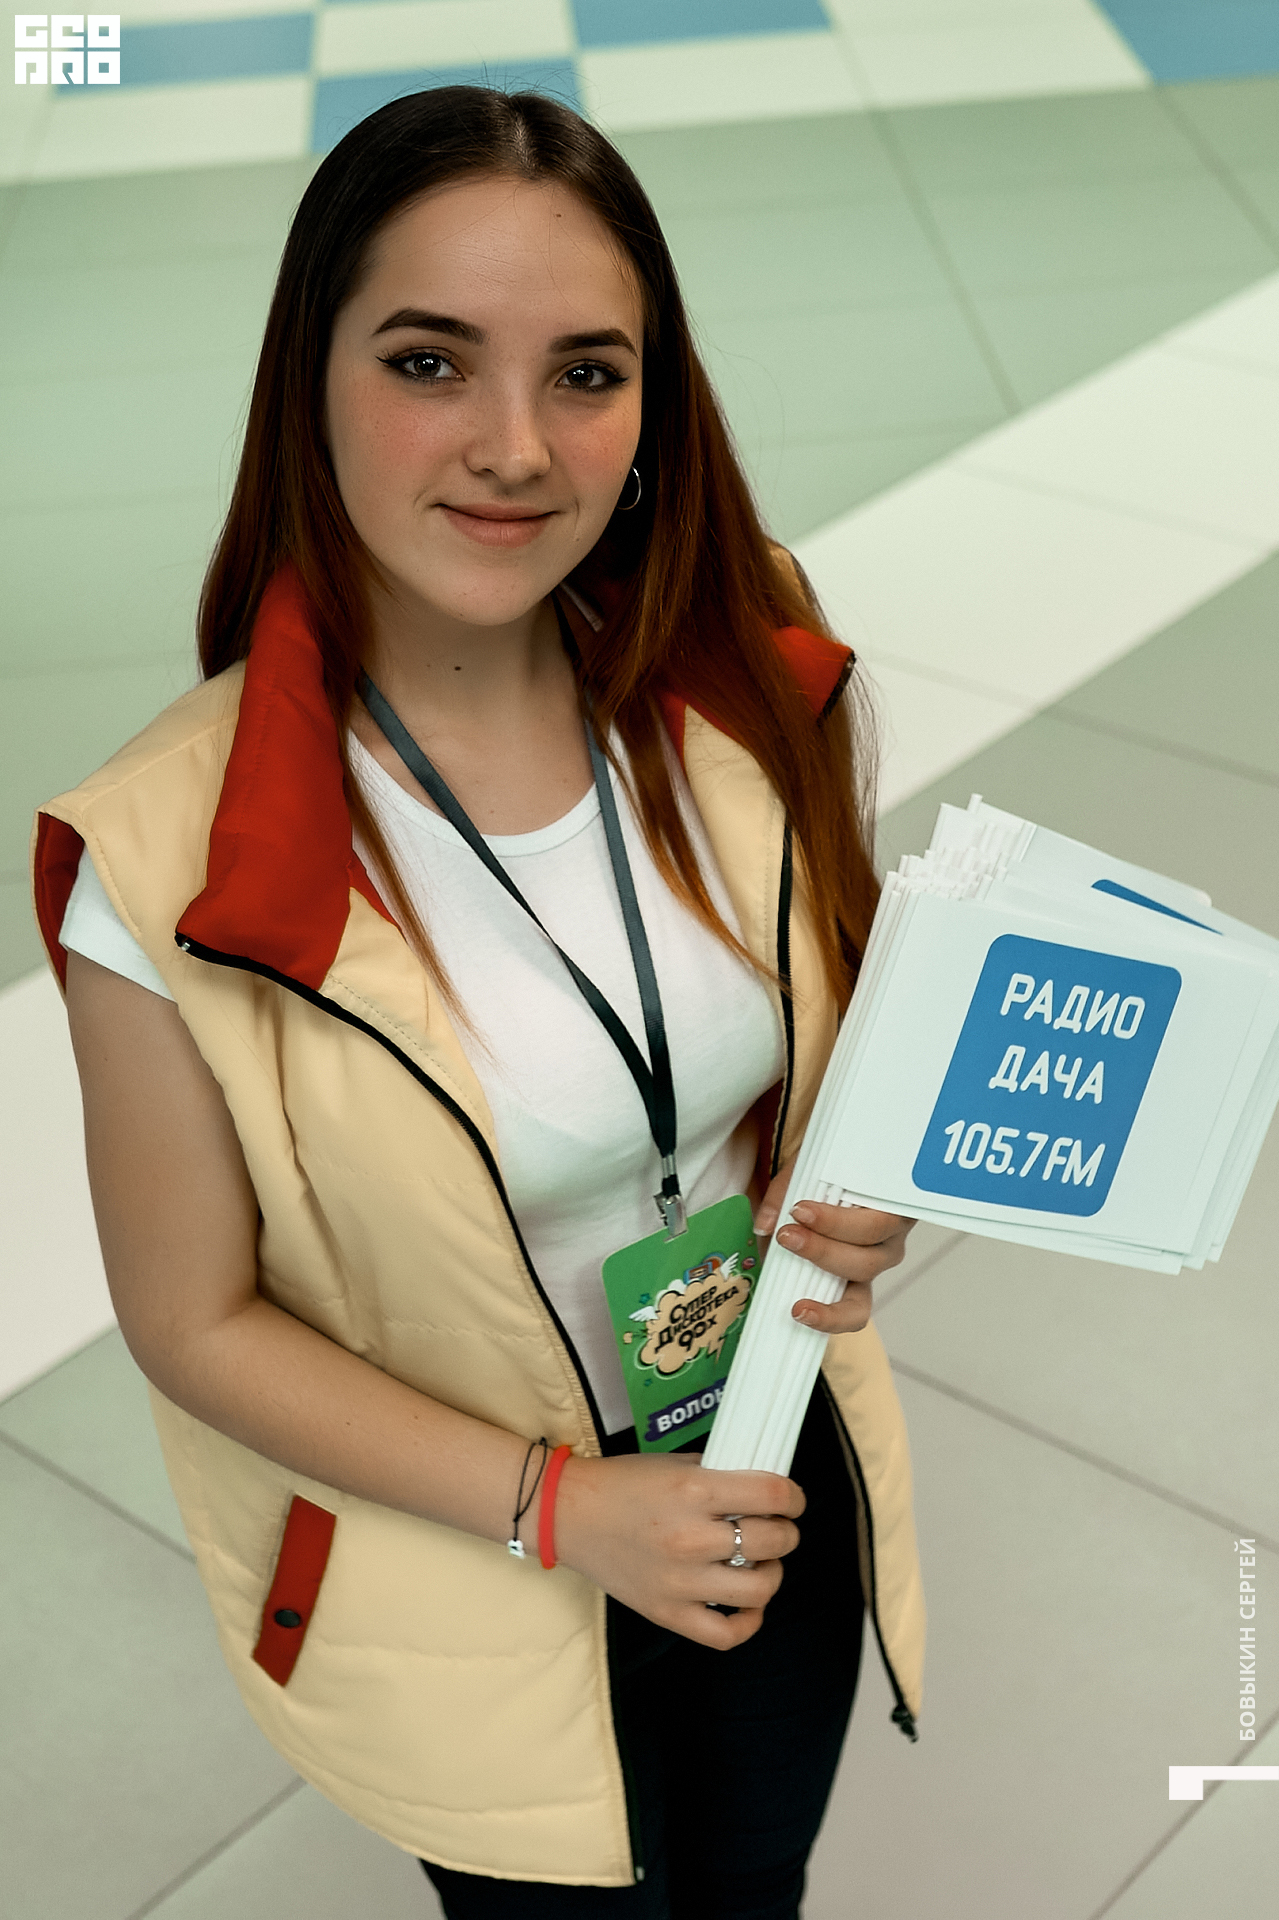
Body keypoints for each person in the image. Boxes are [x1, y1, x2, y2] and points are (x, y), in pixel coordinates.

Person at [32, 86, 925, 1918]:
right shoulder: (163, 859)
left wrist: (858, 1183)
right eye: (430, 362)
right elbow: (192, 1322)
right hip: (482, 1555)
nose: (516, 449)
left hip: (772, 1457)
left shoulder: (745, 674)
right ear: (310, 380)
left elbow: (829, 1029)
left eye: (587, 374)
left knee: (757, 1878)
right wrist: (560, 1505)